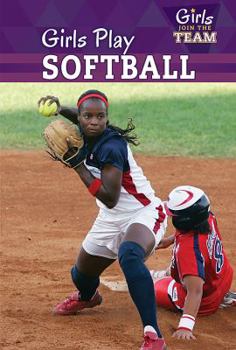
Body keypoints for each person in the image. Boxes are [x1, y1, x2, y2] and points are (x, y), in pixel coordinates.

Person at [39, 90, 168, 350]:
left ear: (107, 119)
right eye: (88, 116)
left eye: (101, 116)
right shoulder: (86, 126)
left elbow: (110, 196)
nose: (94, 121)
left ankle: (153, 335)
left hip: (143, 212)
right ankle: (88, 297)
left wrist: (78, 166)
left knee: (129, 256)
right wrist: (60, 108)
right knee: (81, 273)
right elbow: (81, 116)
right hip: (110, 219)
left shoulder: (112, 146)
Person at [151, 185, 234, 341]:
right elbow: (190, 229)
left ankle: (163, 276)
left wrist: (185, 326)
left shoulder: (188, 251)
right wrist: (170, 240)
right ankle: (225, 295)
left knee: (152, 287)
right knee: (191, 268)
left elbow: (195, 292)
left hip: (205, 300)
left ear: (182, 220)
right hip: (222, 277)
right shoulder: (207, 217)